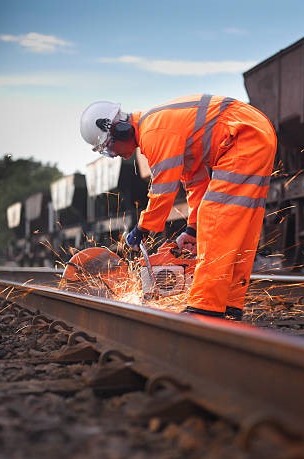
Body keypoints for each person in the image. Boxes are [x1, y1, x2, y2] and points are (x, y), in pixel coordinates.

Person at [80, 94, 277, 320]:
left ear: (120, 129)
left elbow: (163, 190)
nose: (114, 155)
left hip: (243, 134)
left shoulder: (153, 133)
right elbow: (195, 182)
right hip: (252, 132)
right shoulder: (160, 128)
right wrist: (193, 229)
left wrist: (142, 229)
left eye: (109, 147)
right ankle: (229, 303)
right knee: (240, 222)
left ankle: (206, 307)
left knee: (216, 218)